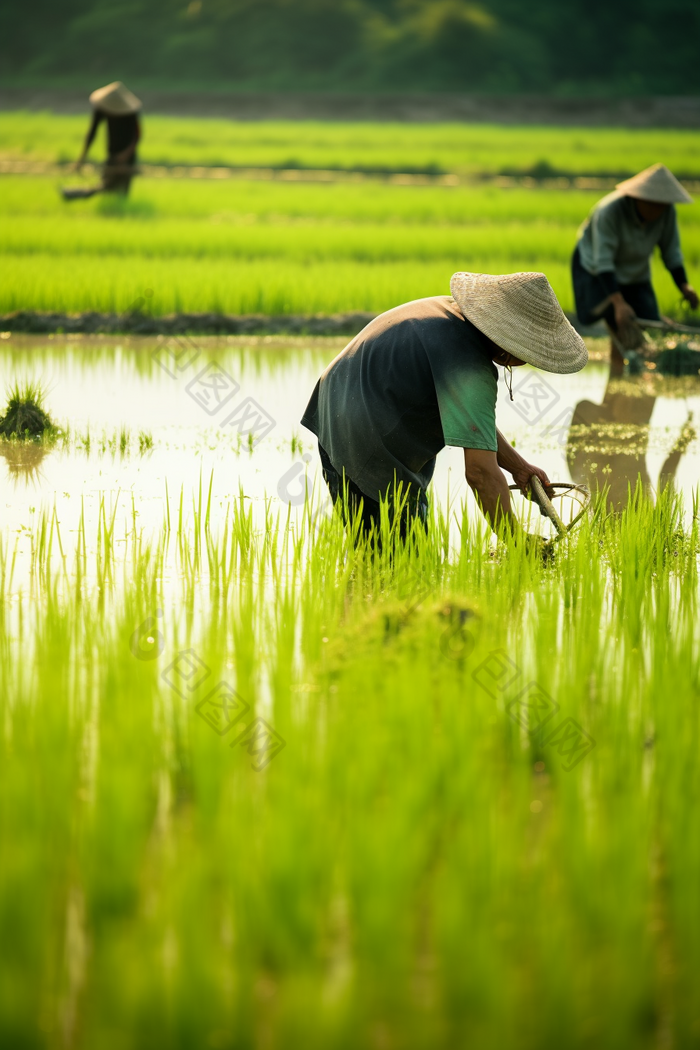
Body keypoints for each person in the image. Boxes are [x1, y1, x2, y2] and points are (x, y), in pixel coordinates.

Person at [301, 271, 588, 542]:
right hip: (368, 441)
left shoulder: (448, 315)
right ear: (506, 342)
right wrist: (516, 541)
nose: (526, 361)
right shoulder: (468, 366)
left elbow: (473, 425)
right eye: (527, 351)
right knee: (398, 561)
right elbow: (480, 473)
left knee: (381, 557)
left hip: (333, 411)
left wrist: (519, 467)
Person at [572, 163, 698, 372]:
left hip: (635, 273)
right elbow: (602, 261)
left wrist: (684, 286)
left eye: (664, 205)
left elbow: (671, 252)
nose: (659, 210)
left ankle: (619, 381)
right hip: (595, 272)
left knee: (646, 323)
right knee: (620, 321)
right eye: (654, 204)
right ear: (639, 198)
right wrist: (619, 303)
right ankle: (618, 378)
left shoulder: (666, 213)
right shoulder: (609, 212)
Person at [61, 81, 141, 201]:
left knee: (121, 191)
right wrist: (82, 158)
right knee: (107, 185)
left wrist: (125, 155)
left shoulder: (130, 113)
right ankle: (79, 194)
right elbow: (92, 133)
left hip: (128, 155)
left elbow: (137, 135)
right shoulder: (102, 109)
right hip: (112, 152)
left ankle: (78, 194)